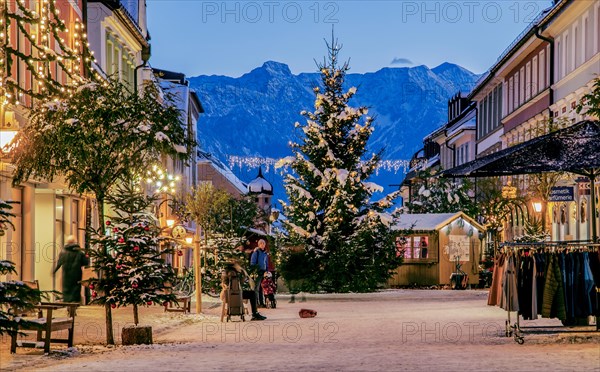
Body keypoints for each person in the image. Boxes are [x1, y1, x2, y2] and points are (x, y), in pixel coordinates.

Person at [53, 235, 89, 303]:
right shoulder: (79, 252)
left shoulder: (63, 252)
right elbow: (85, 262)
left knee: (67, 290)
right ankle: (74, 307)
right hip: (77, 274)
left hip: (66, 274)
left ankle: (68, 306)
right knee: (75, 290)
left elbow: (59, 263)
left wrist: (54, 271)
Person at [250, 239, 269, 307]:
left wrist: (267, 270)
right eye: (261, 243)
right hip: (257, 272)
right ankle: (256, 302)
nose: (262, 245)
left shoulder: (265, 253)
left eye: (263, 243)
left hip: (263, 272)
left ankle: (261, 302)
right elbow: (252, 262)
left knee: (262, 288)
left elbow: (266, 262)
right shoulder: (256, 252)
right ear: (259, 244)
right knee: (256, 288)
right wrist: (255, 270)